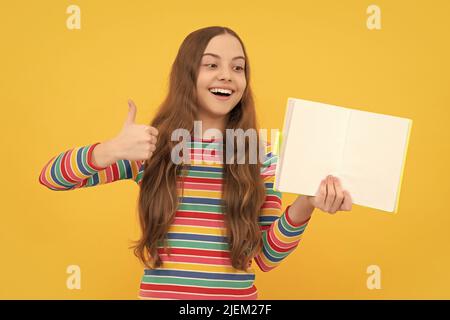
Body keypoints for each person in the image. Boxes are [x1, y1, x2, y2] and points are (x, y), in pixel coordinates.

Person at [38, 26, 353, 300]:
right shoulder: (151, 147)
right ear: (187, 74)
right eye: (211, 64)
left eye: (238, 68)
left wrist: (306, 203)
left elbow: (266, 257)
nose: (227, 75)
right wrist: (111, 150)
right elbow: (51, 177)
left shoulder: (262, 156)